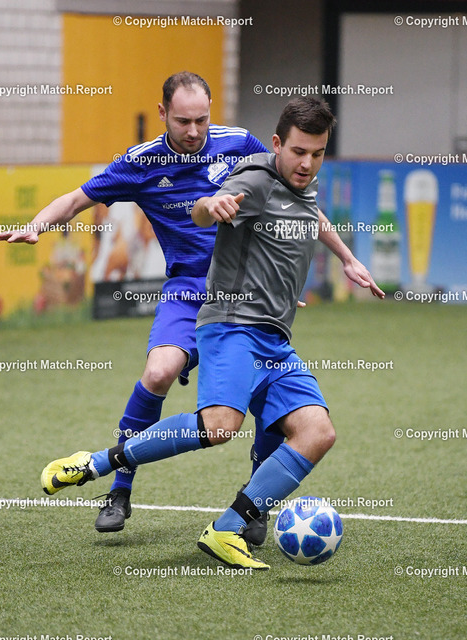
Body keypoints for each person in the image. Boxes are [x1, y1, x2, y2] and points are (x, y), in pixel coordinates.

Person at [41, 96, 385, 570]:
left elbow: (309, 219)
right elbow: (203, 210)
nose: (307, 163)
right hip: (231, 325)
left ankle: (227, 528)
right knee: (220, 425)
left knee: (317, 432)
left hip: (274, 337)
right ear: (276, 144)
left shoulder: (301, 187)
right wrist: (212, 205)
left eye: (318, 153)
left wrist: (347, 259)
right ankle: (99, 464)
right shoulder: (256, 177)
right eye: (299, 152)